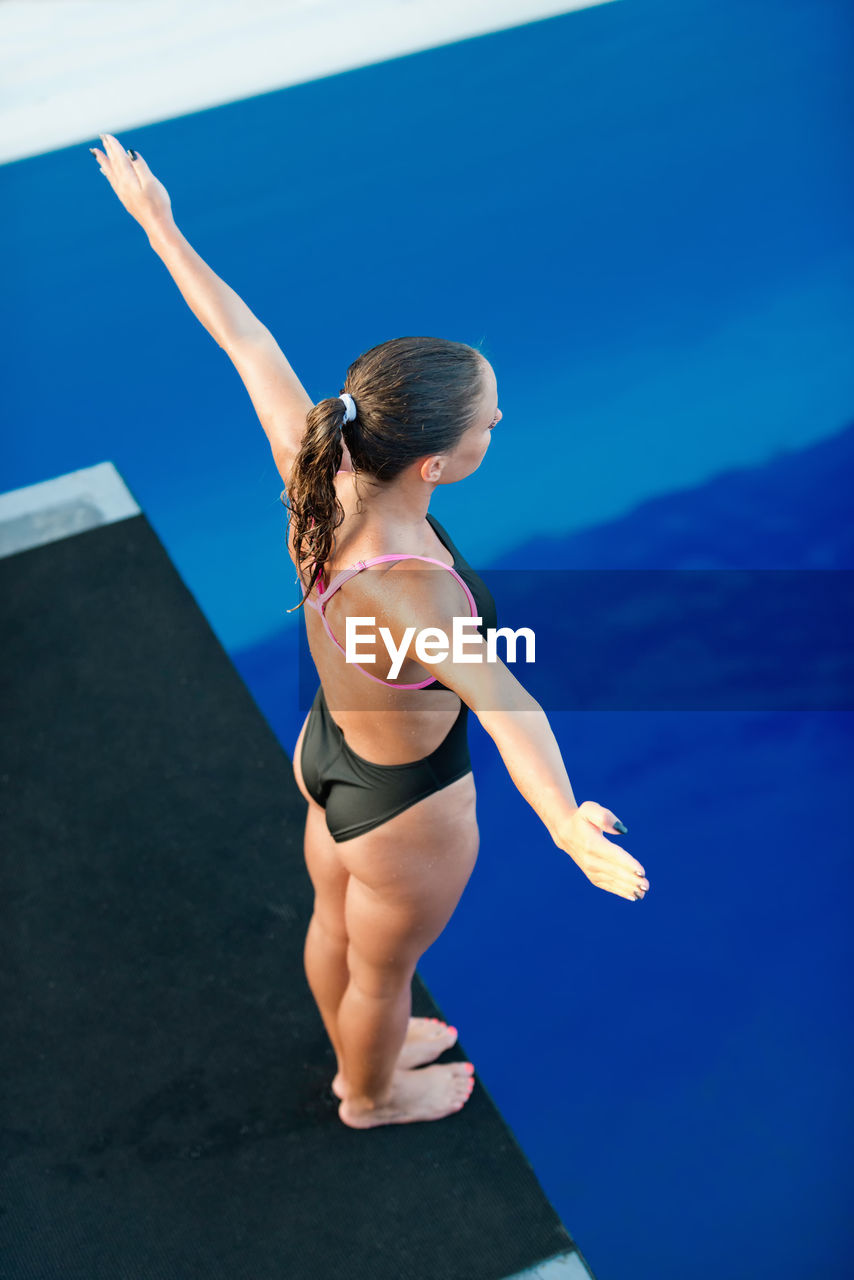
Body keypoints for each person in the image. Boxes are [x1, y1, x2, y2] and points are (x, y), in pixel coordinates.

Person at [89, 133, 650, 1132]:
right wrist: (562, 820)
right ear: (432, 463)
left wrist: (160, 229)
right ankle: (369, 1089)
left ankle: (364, 1041)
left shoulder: (320, 475)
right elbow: (505, 700)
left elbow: (246, 340)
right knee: (384, 968)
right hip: (406, 805)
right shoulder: (414, 596)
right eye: (486, 421)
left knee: (335, 920)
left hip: (330, 753)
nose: (497, 420)